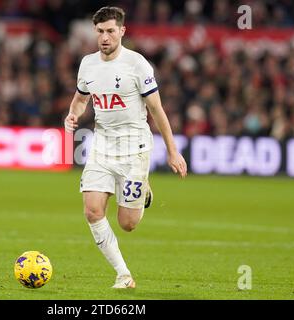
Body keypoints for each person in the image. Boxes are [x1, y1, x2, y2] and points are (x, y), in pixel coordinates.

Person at [64, 6, 187, 289]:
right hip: (102, 146)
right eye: (100, 32)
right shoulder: (88, 64)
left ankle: (142, 191)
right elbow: (81, 99)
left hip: (134, 147)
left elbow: (156, 110)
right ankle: (123, 274)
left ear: (122, 31)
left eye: (110, 31)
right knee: (92, 211)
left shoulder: (137, 65)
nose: (104, 37)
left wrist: (172, 150)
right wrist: (73, 114)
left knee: (127, 224)